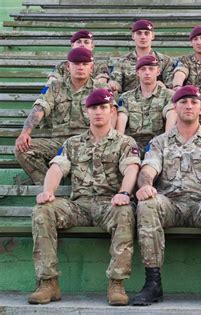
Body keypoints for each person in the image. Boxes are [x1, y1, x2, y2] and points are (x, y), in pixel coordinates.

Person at [28, 88, 140, 306]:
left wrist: (124, 193)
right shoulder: (73, 143)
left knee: (125, 212)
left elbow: (131, 170)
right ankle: (48, 283)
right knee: (43, 210)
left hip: (110, 204)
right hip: (79, 206)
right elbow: (57, 168)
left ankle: (116, 284)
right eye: (93, 108)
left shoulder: (125, 142)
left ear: (111, 111)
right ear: (86, 112)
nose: (98, 112)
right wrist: (48, 191)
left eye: (103, 107)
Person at [132, 85, 201, 307]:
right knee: (148, 204)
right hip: (171, 204)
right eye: (183, 102)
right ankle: (153, 283)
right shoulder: (160, 142)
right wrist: (146, 185)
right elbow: (148, 169)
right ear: (174, 107)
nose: (189, 106)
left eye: (193, 102)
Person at [15, 47, 107, 184]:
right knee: (22, 150)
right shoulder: (55, 87)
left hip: (88, 142)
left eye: (85, 64)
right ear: (68, 66)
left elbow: (112, 115)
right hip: (58, 143)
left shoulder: (100, 89)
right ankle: (48, 185)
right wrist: (25, 133)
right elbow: (40, 108)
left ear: (91, 68)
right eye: (76, 64)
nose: (80, 67)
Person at [116, 55, 176, 152]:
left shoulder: (169, 95)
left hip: (159, 145)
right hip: (132, 145)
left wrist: (166, 144)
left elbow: (171, 116)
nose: (147, 72)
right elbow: (121, 120)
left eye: (151, 69)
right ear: (137, 73)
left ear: (158, 72)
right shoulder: (126, 97)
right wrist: (119, 145)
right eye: (143, 69)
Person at [109, 19, 173, 93]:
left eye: (147, 33)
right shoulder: (122, 61)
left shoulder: (164, 60)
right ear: (133, 36)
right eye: (139, 33)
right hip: (130, 101)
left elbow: (170, 84)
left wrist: (163, 86)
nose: (143, 37)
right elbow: (116, 81)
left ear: (152, 36)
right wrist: (114, 85)